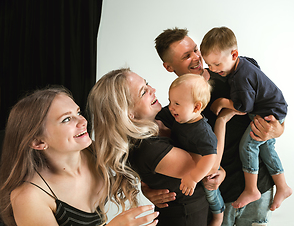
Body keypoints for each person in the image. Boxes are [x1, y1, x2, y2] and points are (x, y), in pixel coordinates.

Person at [143, 27, 285, 226]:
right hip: (217, 199)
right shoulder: (172, 113)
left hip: (258, 185)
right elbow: (148, 153)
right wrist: (146, 188)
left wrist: (279, 129)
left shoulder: (235, 74)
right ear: (169, 67)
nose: (196, 57)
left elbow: (272, 103)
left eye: (195, 50)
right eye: (186, 56)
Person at [87, 68, 238, 226]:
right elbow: (211, 167)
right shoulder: (149, 148)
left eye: (147, 84)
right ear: (128, 113)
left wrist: (222, 171)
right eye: (143, 92)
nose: (153, 90)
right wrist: (222, 121)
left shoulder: (164, 117)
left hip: (201, 209)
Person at [0, 86, 158, 226]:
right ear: (38, 142)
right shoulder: (29, 198)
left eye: (78, 112)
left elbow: (134, 167)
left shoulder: (94, 151)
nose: (83, 121)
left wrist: (147, 186)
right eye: (66, 119)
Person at [200, 26, 292, 211]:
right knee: (265, 145)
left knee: (248, 145)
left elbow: (244, 107)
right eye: (209, 64)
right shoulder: (243, 64)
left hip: (268, 112)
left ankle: (252, 189)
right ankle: (282, 186)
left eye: (217, 64)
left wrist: (222, 102)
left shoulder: (240, 77)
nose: (213, 69)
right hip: (274, 108)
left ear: (234, 54)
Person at [169, 74, 237, 226]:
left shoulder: (202, 131)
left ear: (196, 107)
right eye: (170, 102)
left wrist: (193, 177)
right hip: (196, 162)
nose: (171, 107)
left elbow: (210, 157)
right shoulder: (181, 118)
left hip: (207, 167)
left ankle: (219, 216)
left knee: (210, 190)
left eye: (177, 103)